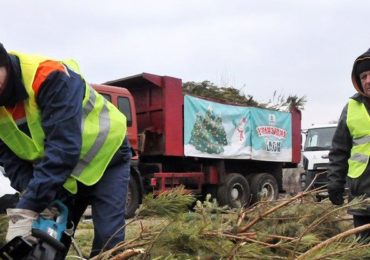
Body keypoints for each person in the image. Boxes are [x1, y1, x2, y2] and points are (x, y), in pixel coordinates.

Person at [0, 43, 131, 257]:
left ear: (3, 61)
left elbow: (63, 148)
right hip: (61, 174)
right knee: (46, 246)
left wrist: (28, 207)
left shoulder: (48, 76)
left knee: (109, 240)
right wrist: (34, 197)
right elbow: (10, 161)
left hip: (107, 159)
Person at [328, 48, 370, 241]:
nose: (368, 80)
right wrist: (335, 183)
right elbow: (339, 151)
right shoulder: (351, 108)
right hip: (362, 195)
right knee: (363, 249)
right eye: (364, 76)